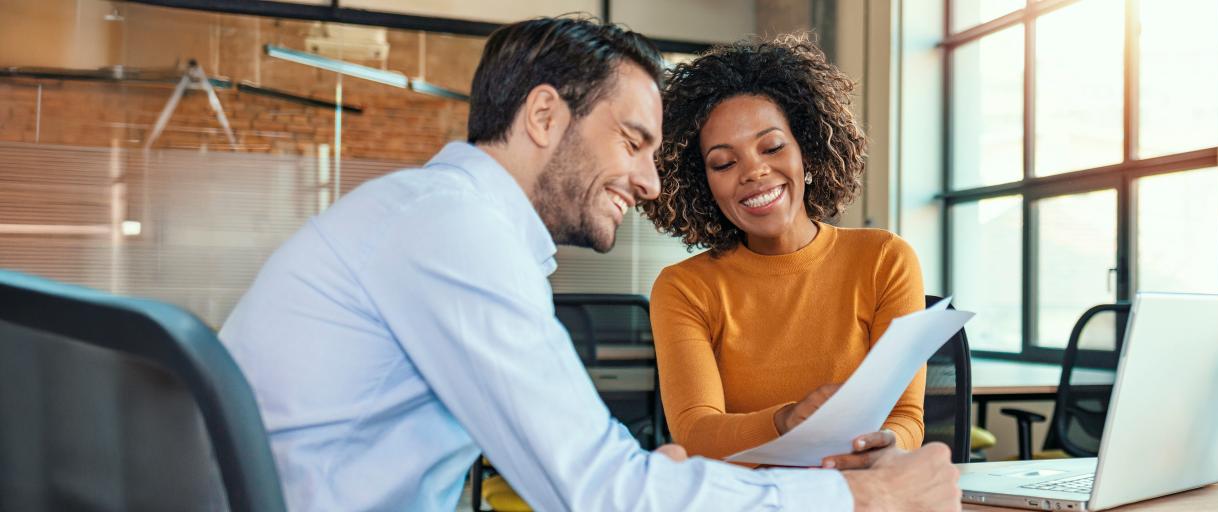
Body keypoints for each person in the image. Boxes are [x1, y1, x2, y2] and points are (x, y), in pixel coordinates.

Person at [220, 17, 959, 511]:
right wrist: (866, 499)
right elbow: (595, 492)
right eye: (634, 141)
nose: (649, 181)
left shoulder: (440, 219)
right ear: (545, 117)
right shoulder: (453, 232)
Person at [641, 34, 928, 468]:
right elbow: (695, 432)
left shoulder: (885, 259)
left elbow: (905, 417)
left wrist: (889, 446)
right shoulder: (683, 287)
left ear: (808, 153)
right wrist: (785, 421)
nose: (754, 171)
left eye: (772, 147)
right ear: (704, 184)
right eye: (724, 162)